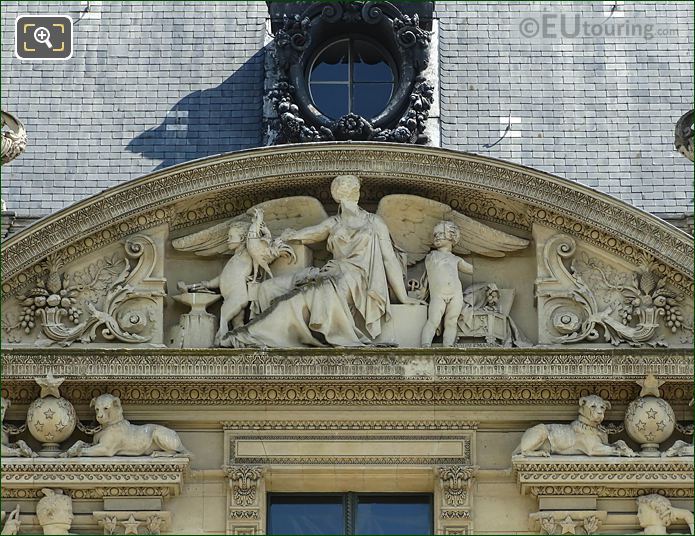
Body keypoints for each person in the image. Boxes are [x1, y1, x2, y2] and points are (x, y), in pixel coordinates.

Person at [222, 175, 423, 348]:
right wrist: (288, 236)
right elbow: (310, 233)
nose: (347, 192)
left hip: (356, 280)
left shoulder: (374, 223)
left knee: (297, 300)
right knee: (271, 288)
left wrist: (403, 297)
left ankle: (249, 336)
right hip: (331, 274)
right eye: (342, 189)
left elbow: (388, 259)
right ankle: (256, 333)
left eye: (349, 188)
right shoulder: (334, 223)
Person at [420, 220, 473, 347]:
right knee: (433, 320)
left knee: (451, 322)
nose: (436, 236)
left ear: (451, 236)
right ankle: (425, 346)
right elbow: (428, 274)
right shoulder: (431, 256)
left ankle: (447, 347)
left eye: (440, 233)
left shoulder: (455, 259)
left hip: (456, 293)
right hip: (438, 295)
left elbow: (472, 269)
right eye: (435, 234)